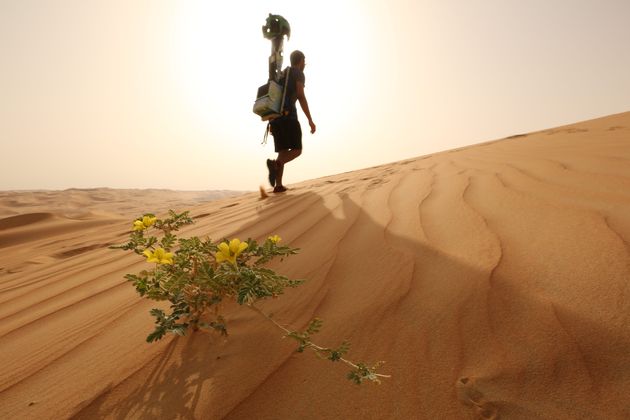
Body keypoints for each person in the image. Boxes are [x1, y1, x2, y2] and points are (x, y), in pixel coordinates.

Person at [266, 50, 316, 193]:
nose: (304, 64)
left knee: (283, 151)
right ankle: (276, 164)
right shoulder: (298, 73)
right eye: (304, 61)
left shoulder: (281, 74)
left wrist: (270, 121)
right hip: (289, 117)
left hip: (275, 118)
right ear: (300, 61)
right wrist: (310, 120)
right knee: (296, 150)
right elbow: (300, 95)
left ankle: (278, 185)